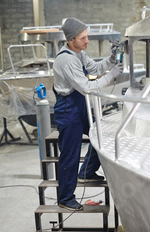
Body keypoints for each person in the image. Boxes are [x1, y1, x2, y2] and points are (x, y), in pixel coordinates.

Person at [53, 17, 123, 211]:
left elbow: (95, 68)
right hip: (68, 109)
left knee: (100, 135)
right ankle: (66, 198)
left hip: (79, 106)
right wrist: (112, 75)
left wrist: (110, 59)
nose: (87, 41)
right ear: (71, 39)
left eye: (87, 37)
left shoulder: (78, 53)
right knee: (70, 154)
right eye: (83, 38)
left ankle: (87, 172)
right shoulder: (67, 59)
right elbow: (87, 88)